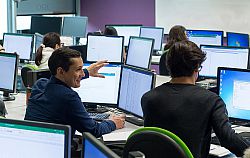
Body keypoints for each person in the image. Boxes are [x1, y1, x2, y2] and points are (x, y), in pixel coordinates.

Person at [141, 40, 250, 157]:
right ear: (196, 68)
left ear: (168, 65)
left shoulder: (148, 98)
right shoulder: (211, 101)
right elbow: (228, 138)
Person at [25, 47, 125, 138]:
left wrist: (87, 72)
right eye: (78, 69)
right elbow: (93, 130)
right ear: (60, 71)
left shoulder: (40, 84)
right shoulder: (68, 97)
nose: (82, 73)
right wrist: (113, 123)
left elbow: (56, 80)